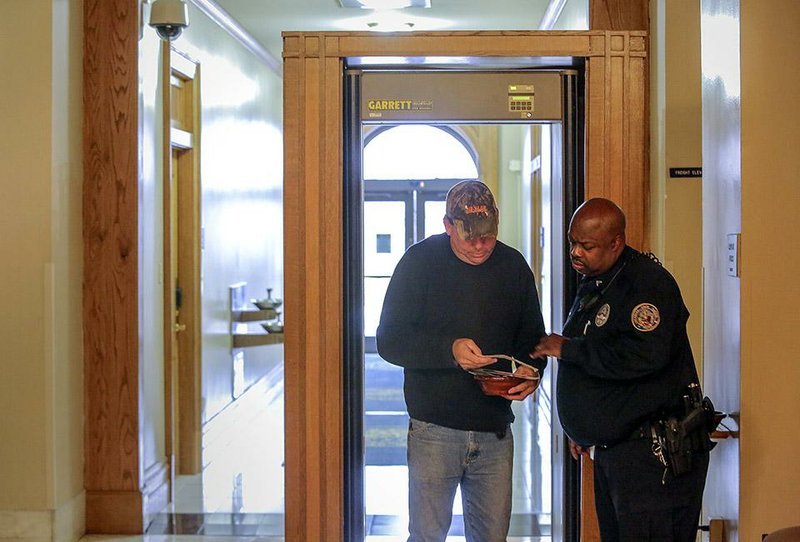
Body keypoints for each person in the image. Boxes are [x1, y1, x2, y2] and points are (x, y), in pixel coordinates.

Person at [533, 198, 714, 542]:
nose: (575, 252)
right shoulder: (599, 280)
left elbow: (645, 354)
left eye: (586, 245)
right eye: (573, 242)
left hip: (653, 461)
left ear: (616, 243)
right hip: (617, 456)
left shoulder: (647, 283)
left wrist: (568, 349)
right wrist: (583, 426)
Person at [376, 180, 547, 542]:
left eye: (488, 235)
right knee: (426, 536)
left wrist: (533, 374)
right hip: (433, 430)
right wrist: (449, 351)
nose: (480, 245)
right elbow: (389, 341)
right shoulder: (419, 262)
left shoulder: (513, 266)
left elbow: (533, 341)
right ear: (448, 225)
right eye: (470, 236)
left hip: (495, 431)